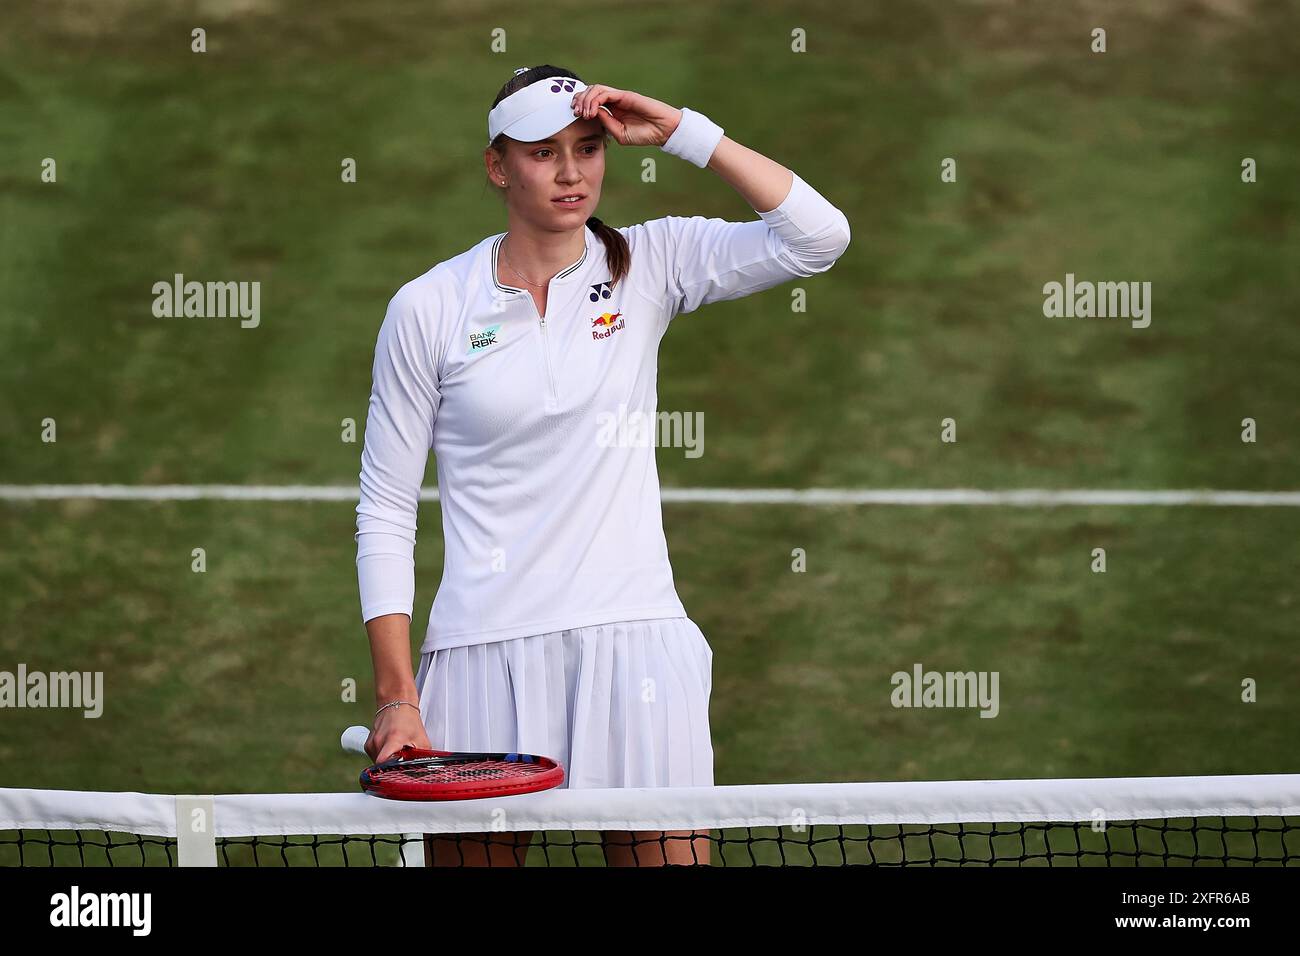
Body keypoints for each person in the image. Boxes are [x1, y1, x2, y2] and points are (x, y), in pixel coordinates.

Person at [355, 64, 851, 866]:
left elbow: (819, 236)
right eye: (544, 153)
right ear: (497, 166)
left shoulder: (650, 264)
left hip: (636, 650)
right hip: (481, 656)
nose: (571, 172)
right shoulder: (429, 308)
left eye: (587, 149)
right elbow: (385, 507)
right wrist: (397, 698)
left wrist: (684, 130)